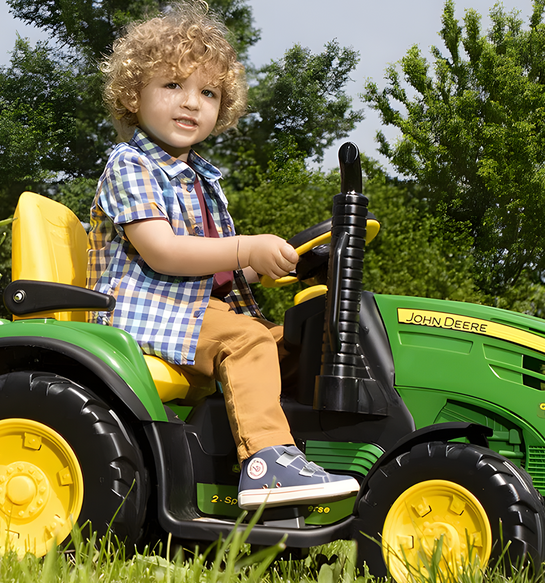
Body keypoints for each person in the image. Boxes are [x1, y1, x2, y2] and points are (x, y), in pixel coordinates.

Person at [87, 1, 359, 509]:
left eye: (207, 92)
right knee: (248, 339)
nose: (190, 103)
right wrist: (245, 246)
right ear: (132, 94)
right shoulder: (130, 165)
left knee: (300, 339)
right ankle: (267, 463)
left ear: (222, 107)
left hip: (199, 314)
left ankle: (301, 459)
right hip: (143, 314)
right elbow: (165, 253)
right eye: (172, 86)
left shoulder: (203, 180)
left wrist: (279, 262)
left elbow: (220, 268)